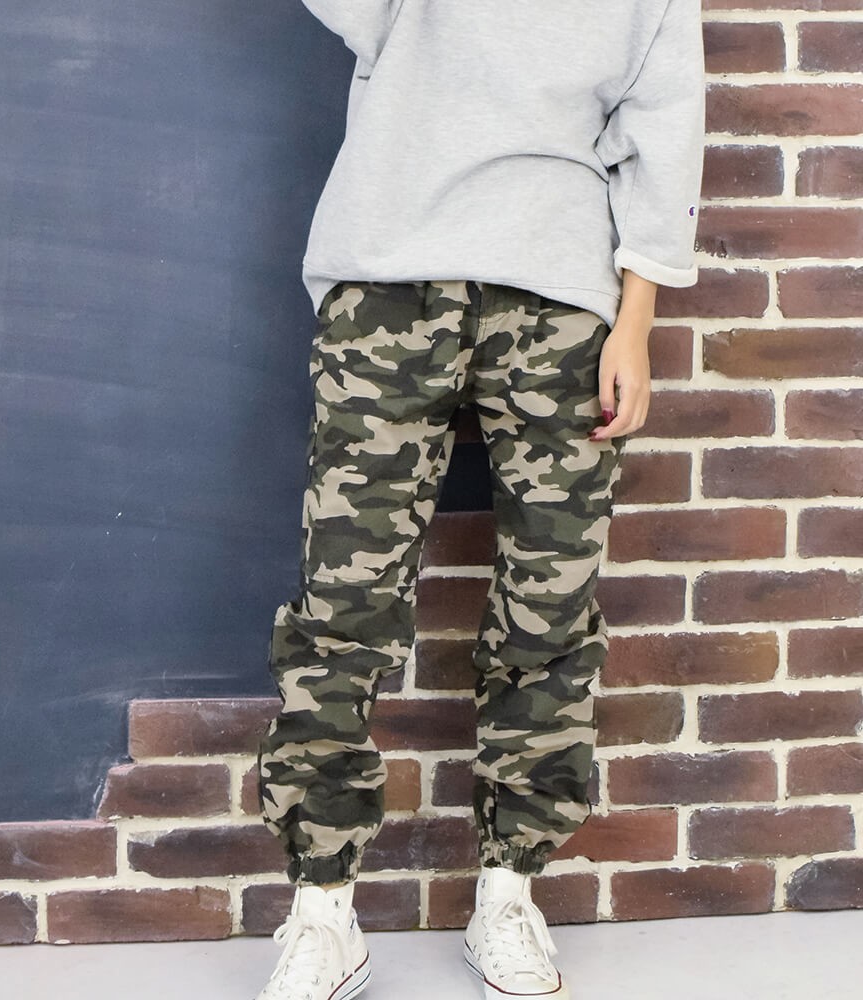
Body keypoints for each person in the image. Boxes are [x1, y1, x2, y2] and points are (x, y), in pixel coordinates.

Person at [254, 2, 706, 998]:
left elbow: (665, 128)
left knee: (550, 610)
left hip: (561, 299)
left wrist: (635, 325)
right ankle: (322, 905)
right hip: (390, 279)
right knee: (343, 604)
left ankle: (508, 893)